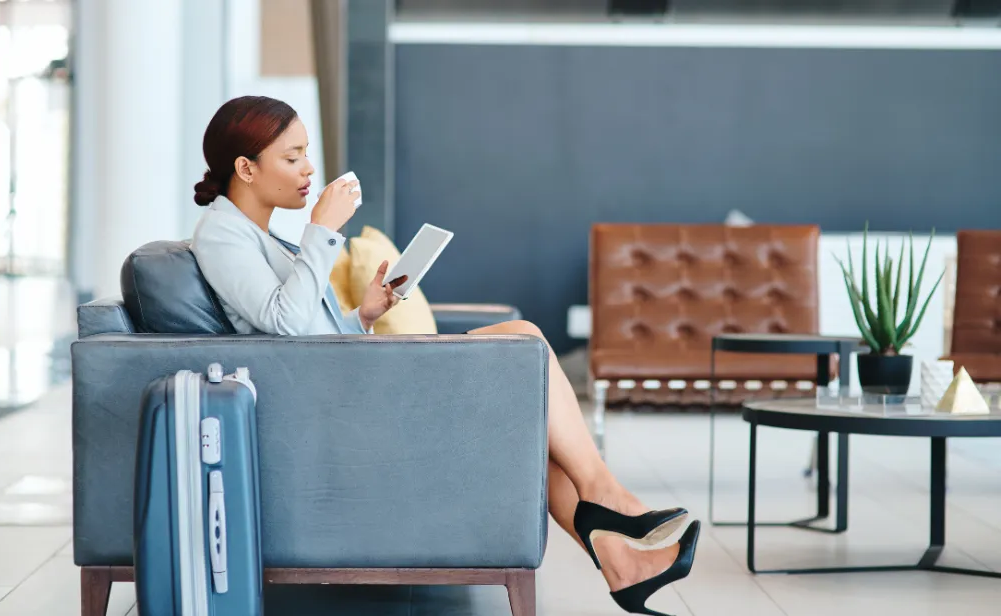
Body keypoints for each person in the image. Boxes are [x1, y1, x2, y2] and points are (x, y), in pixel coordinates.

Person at [190, 95, 699, 614]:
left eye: (306, 154)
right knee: (523, 338)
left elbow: (302, 335)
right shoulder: (221, 236)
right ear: (246, 168)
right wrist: (323, 231)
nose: (309, 169)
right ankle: (611, 502)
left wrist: (363, 315)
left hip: (346, 385)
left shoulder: (259, 235)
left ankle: (622, 560)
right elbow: (285, 327)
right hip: (339, 408)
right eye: (293, 157)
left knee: (528, 401)